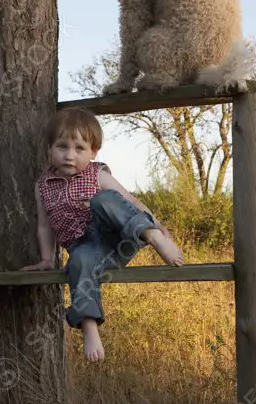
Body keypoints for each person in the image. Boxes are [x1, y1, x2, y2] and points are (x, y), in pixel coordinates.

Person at [21, 107, 184, 361]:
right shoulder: (43, 185)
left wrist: (159, 226)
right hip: (86, 247)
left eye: (79, 149)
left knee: (104, 200)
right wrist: (46, 259)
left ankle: (153, 236)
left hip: (119, 237)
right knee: (78, 260)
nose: (69, 155)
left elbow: (131, 200)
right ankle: (89, 325)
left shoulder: (97, 174)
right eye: (62, 147)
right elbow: (44, 225)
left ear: (93, 152)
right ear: (50, 148)